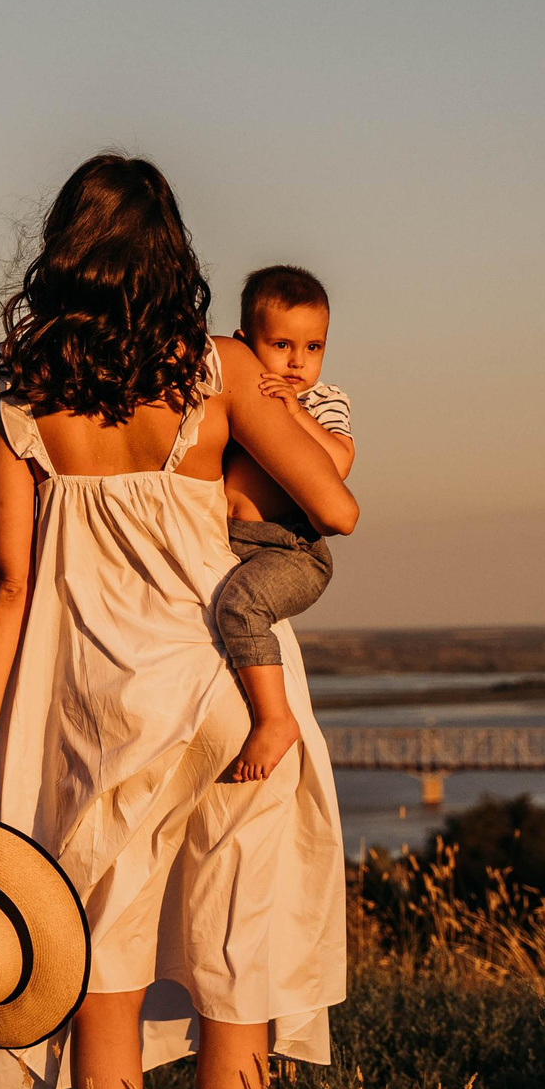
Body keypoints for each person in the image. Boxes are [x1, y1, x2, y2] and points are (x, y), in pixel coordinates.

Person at [0, 155, 356, 1089]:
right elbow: (330, 508)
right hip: (232, 696)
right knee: (237, 973)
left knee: (104, 982)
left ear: (65, 248)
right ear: (171, 251)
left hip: (99, 718)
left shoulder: (22, 387)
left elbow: (4, 582)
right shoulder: (219, 369)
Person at [218, 264, 356, 781]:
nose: (298, 362)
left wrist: (294, 414)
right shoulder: (237, 394)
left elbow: (337, 466)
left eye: (313, 347)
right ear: (243, 343)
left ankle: (276, 721)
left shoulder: (323, 401)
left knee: (242, 607)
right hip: (233, 543)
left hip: (290, 552)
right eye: (281, 345)